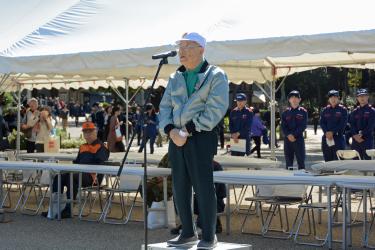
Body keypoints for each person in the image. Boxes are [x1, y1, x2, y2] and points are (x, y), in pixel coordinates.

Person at [159, 32, 228, 249]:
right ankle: (187, 232)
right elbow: (164, 107)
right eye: (180, 47)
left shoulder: (216, 75)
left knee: (203, 185)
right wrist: (170, 130)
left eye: (188, 46)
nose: (182, 51)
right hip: (175, 137)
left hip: (200, 136)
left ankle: (208, 234)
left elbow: (216, 108)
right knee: (179, 186)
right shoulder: (175, 77)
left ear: (201, 50)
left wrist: (187, 130)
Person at [42, 121, 109, 218]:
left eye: (90, 132)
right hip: (79, 174)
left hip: (93, 177)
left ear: (95, 132)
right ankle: (54, 208)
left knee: (71, 177)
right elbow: (76, 162)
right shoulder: (82, 147)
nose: (88, 134)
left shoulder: (102, 147)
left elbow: (100, 164)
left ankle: (68, 209)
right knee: (59, 177)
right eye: (85, 132)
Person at [281, 90, 308, 169]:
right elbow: (283, 126)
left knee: (301, 161)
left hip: (298, 138)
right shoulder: (285, 112)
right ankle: (289, 179)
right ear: (289, 100)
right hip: (288, 139)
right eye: (292, 97)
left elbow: (303, 126)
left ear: (299, 99)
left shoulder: (303, 112)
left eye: (296, 97)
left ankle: (302, 179)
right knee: (288, 162)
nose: (294, 99)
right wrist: (288, 135)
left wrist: (294, 135)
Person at [320, 90, 348, 161]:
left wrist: (332, 132)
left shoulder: (343, 110)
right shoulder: (325, 110)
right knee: (328, 160)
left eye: (335, 97)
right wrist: (326, 132)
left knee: (338, 160)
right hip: (327, 138)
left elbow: (342, 124)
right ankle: (329, 172)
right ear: (329, 99)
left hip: (338, 137)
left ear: (338, 98)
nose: (333, 99)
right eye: (331, 97)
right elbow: (322, 122)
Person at [349, 89, 375, 160]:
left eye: (364, 96)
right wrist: (355, 135)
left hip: (367, 140)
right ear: (357, 98)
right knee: (355, 163)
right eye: (360, 96)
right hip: (356, 141)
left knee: (368, 163)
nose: (362, 98)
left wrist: (361, 134)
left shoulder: (372, 111)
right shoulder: (354, 111)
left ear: (367, 97)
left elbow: (371, 126)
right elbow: (352, 125)